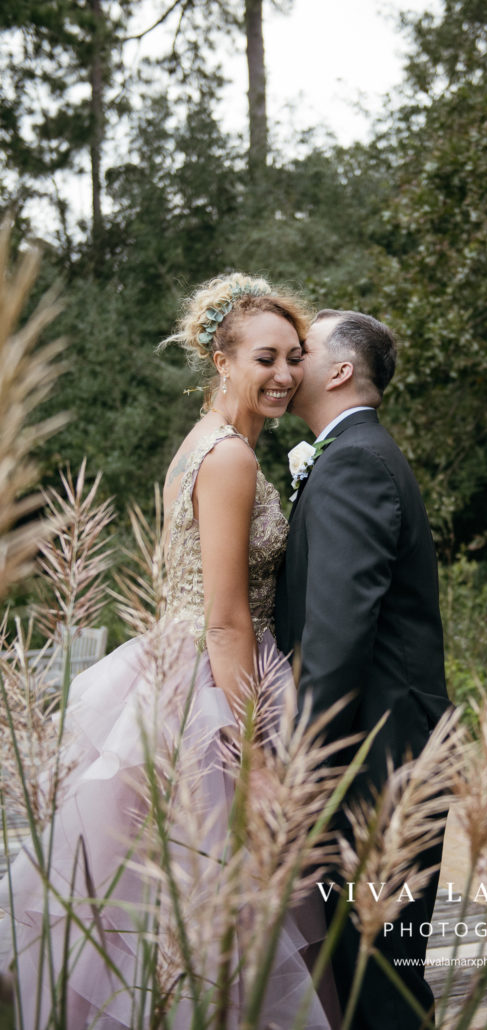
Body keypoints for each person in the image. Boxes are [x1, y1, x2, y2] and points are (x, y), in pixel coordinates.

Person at [0, 274, 335, 1030]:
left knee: (168, 897)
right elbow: (223, 618)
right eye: (264, 358)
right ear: (221, 359)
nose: (283, 375)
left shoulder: (203, 445)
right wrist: (250, 747)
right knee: (220, 887)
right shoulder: (232, 459)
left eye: (294, 358)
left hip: (178, 668)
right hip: (216, 686)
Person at [275, 309, 451, 1029]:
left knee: (379, 975)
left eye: (302, 351)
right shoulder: (358, 452)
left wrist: (301, 763)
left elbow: (338, 633)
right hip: (384, 745)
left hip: (373, 759)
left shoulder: (351, 460)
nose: (287, 364)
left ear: (341, 370)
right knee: (374, 964)